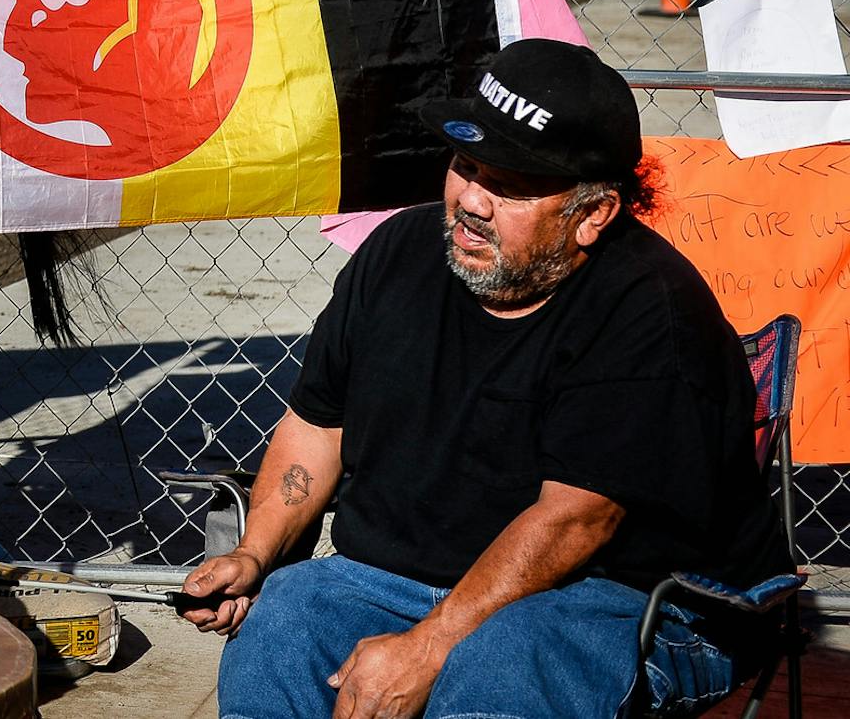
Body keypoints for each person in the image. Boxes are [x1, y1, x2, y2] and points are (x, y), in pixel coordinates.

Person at [184, 37, 783, 719]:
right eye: (466, 165)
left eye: (508, 185)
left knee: (503, 665)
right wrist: (255, 553)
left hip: (632, 600)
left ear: (592, 214)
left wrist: (427, 647)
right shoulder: (396, 255)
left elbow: (575, 520)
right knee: (285, 620)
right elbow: (318, 425)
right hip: (404, 580)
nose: (472, 199)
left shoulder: (651, 309)